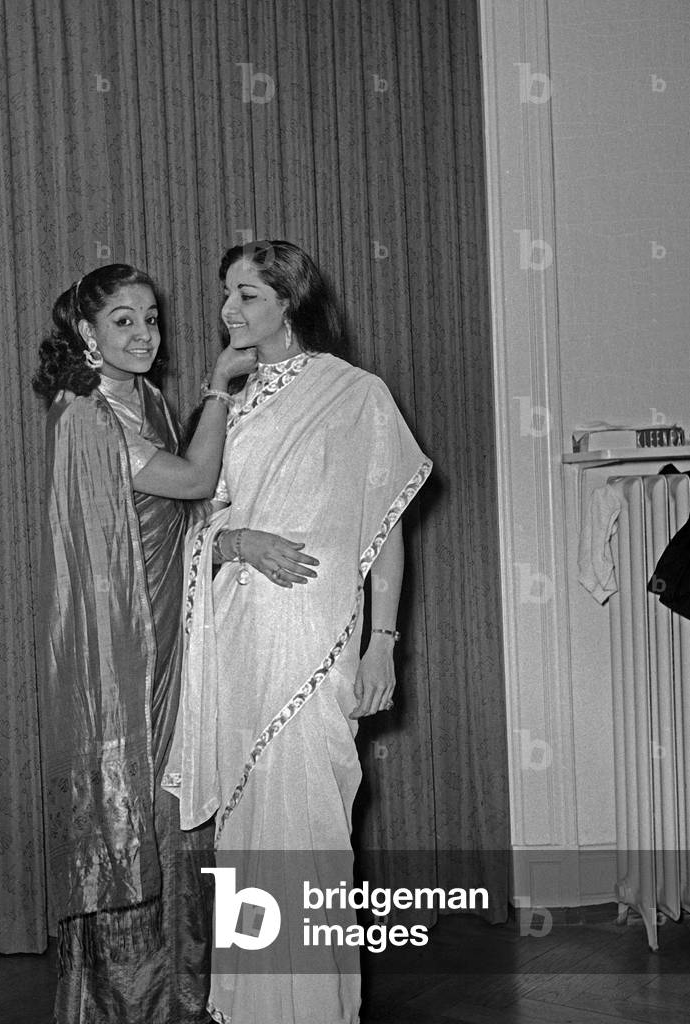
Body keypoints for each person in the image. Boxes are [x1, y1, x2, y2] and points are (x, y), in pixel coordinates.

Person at [163, 241, 433, 1024]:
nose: (228, 311)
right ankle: (248, 1008)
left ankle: (316, 1009)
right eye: (225, 295)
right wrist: (236, 542)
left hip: (318, 639)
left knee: (312, 823)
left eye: (247, 295)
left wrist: (384, 641)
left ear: (290, 301)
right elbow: (189, 526)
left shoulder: (355, 395)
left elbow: (385, 528)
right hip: (241, 637)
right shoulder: (230, 406)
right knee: (248, 827)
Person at [32, 263, 256, 1023]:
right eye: (123, 321)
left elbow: (189, 514)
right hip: (128, 650)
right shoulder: (88, 417)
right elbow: (194, 480)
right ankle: (128, 997)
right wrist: (222, 388)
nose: (143, 335)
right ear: (86, 333)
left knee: (181, 796)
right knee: (140, 799)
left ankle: (185, 983)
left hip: (180, 624)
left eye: (152, 319)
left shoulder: (150, 399)